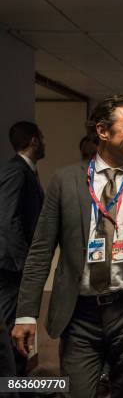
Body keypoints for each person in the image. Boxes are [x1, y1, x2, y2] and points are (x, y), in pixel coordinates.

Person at [12, 94, 123, 397]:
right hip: (79, 315)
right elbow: (41, 250)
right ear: (103, 131)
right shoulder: (64, 181)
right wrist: (26, 312)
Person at [0, 121, 45, 376]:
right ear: (34, 140)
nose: (45, 143)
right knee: (11, 330)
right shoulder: (17, 171)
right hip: (11, 268)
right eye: (43, 138)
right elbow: (7, 219)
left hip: (16, 265)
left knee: (19, 328)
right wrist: (26, 262)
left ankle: (20, 386)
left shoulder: (27, 170)